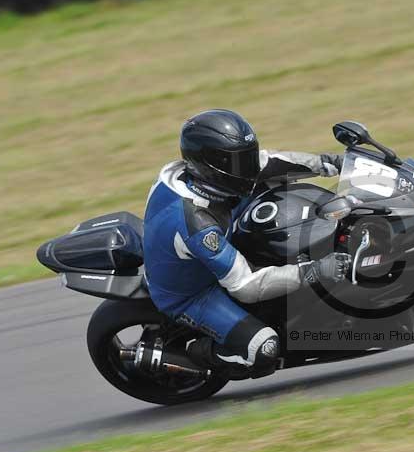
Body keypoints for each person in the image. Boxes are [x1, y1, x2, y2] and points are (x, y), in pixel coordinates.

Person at [143, 109, 351, 378]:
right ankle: (196, 356)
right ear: (212, 167)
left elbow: (273, 162)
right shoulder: (196, 222)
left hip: (217, 238)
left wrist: (332, 162)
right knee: (264, 348)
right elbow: (246, 286)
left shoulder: (208, 179)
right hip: (193, 294)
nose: (251, 167)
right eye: (241, 162)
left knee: (276, 192)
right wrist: (314, 271)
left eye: (248, 156)